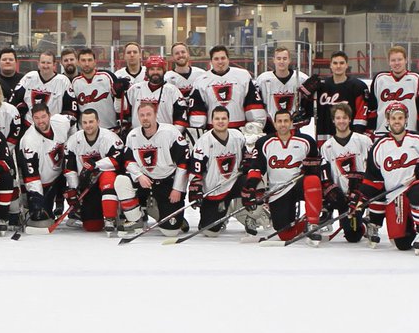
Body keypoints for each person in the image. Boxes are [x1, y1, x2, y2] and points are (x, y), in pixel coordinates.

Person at [361, 104, 419, 253]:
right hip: (395, 195)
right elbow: (373, 179)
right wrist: (362, 198)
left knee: (418, 191)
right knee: (402, 243)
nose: (397, 121)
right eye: (393, 118)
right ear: (387, 120)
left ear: (406, 119)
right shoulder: (378, 146)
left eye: (400, 118)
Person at [243, 109, 322, 243]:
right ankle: (304, 222)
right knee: (285, 235)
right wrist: (250, 187)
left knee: (313, 180)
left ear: (291, 123)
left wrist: (310, 168)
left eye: (286, 121)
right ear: (274, 124)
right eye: (279, 121)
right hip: (278, 190)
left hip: (297, 184)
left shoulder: (306, 141)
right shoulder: (264, 142)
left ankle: (313, 223)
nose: (283, 124)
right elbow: (256, 167)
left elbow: (316, 167)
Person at [62, 107, 135, 233]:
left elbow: (117, 161)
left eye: (91, 122)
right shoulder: (73, 140)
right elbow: (70, 169)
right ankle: (88, 213)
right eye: (85, 122)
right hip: (87, 184)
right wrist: (75, 189)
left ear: (98, 122)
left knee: (108, 176)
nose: (88, 125)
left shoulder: (110, 138)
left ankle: (110, 218)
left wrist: (95, 165)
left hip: (107, 182)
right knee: (92, 227)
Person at [124, 102, 190, 235]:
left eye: (148, 114)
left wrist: (177, 189)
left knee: (170, 232)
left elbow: (184, 162)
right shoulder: (133, 135)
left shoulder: (170, 132)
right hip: (145, 181)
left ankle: (163, 213)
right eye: (142, 115)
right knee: (121, 181)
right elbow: (127, 160)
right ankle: (135, 218)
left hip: (167, 182)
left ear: (155, 115)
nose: (145, 118)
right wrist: (139, 175)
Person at [185, 106, 248, 235]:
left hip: (234, 182)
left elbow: (247, 158)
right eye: (217, 118)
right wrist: (195, 190)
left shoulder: (237, 136)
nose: (221, 121)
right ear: (212, 121)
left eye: (224, 118)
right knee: (209, 231)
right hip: (213, 190)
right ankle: (223, 212)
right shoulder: (203, 142)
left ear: (229, 120)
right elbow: (196, 170)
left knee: (254, 183)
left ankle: (248, 216)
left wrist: (247, 165)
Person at [317, 103, 373, 243]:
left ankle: (369, 221)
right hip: (342, 196)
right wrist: (334, 193)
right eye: (338, 118)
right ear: (333, 120)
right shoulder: (327, 146)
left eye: (344, 117)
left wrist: (362, 190)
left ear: (350, 119)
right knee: (352, 235)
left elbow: (373, 168)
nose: (341, 121)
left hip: (361, 194)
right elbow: (325, 176)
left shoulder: (364, 141)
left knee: (354, 235)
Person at [16, 102, 71, 225]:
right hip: (45, 182)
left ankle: (75, 207)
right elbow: (31, 176)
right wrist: (37, 199)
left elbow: (74, 122)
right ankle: (26, 208)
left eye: (43, 117)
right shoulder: (29, 141)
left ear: (49, 115)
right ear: (32, 119)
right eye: (36, 118)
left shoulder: (61, 122)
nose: (41, 121)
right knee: (41, 220)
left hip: (62, 173)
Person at [187, 46, 264, 132]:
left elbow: (253, 105)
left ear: (228, 59)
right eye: (216, 59)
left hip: (239, 130)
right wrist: (198, 130)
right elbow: (198, 111)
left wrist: (255, 127)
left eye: (223, 58)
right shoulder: (201, 80)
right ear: (211, 61)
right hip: (212, 131)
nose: (220, 62)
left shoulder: (243, 76)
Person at [368, 45, 419, 133]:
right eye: (393, 60)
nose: (397, 63)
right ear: (389, 62)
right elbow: (372, 106)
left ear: (406, 60)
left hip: (410, 132)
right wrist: (371, 128)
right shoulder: (380, 79)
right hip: (382, 132)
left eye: (400, 59)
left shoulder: (417, 78)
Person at [312, 50, 370, 139]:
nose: (338, 66)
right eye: (335, 63)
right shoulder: (321, 86)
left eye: (341, 63)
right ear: (330, 65)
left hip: (350, 138)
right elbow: (310, 110)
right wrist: (306, 94)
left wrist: (357, 134)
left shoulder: (358, 87)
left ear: (346, 65)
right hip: (325, 137)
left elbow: (361, 115)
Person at [69, 48, 129, 133]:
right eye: (83, 60)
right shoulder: (74, 82)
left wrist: (119, 95)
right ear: (78, 62)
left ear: (95, 61)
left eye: (90, 60)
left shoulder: (107, 76)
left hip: (110, 130)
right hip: (85, 132)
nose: (87, 64)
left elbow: (122, 107)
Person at [124, 55, 188, 130]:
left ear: (164, 71)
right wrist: (118, 96)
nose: (155, 72)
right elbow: (123, 112)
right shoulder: (135, 89)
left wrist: (173, 135)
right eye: (152, 69)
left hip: (164, 137)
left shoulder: (173, 91)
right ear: (147, 71)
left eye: (159, 69)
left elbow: (181, 118)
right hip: (139, 137)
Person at [12, 50, 72, 124]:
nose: (45, 66)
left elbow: (71, 109)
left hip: (53, 127)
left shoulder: (63, 81)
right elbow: (14, 101)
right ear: (38, 64)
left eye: (48, 63)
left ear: (54, 64)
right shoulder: (29, 77)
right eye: (43, 62)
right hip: (29, 126)